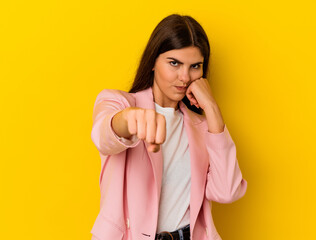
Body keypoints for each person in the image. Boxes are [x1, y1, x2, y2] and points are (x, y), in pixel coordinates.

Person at [90, 14, 247, 240]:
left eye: (195, 66)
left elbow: (227, 191)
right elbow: (103, 135)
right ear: (153, 61)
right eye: (174, 63)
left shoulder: (203, 127)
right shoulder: (121, 104)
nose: (184, 77)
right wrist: (128, 120)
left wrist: (212, 108)